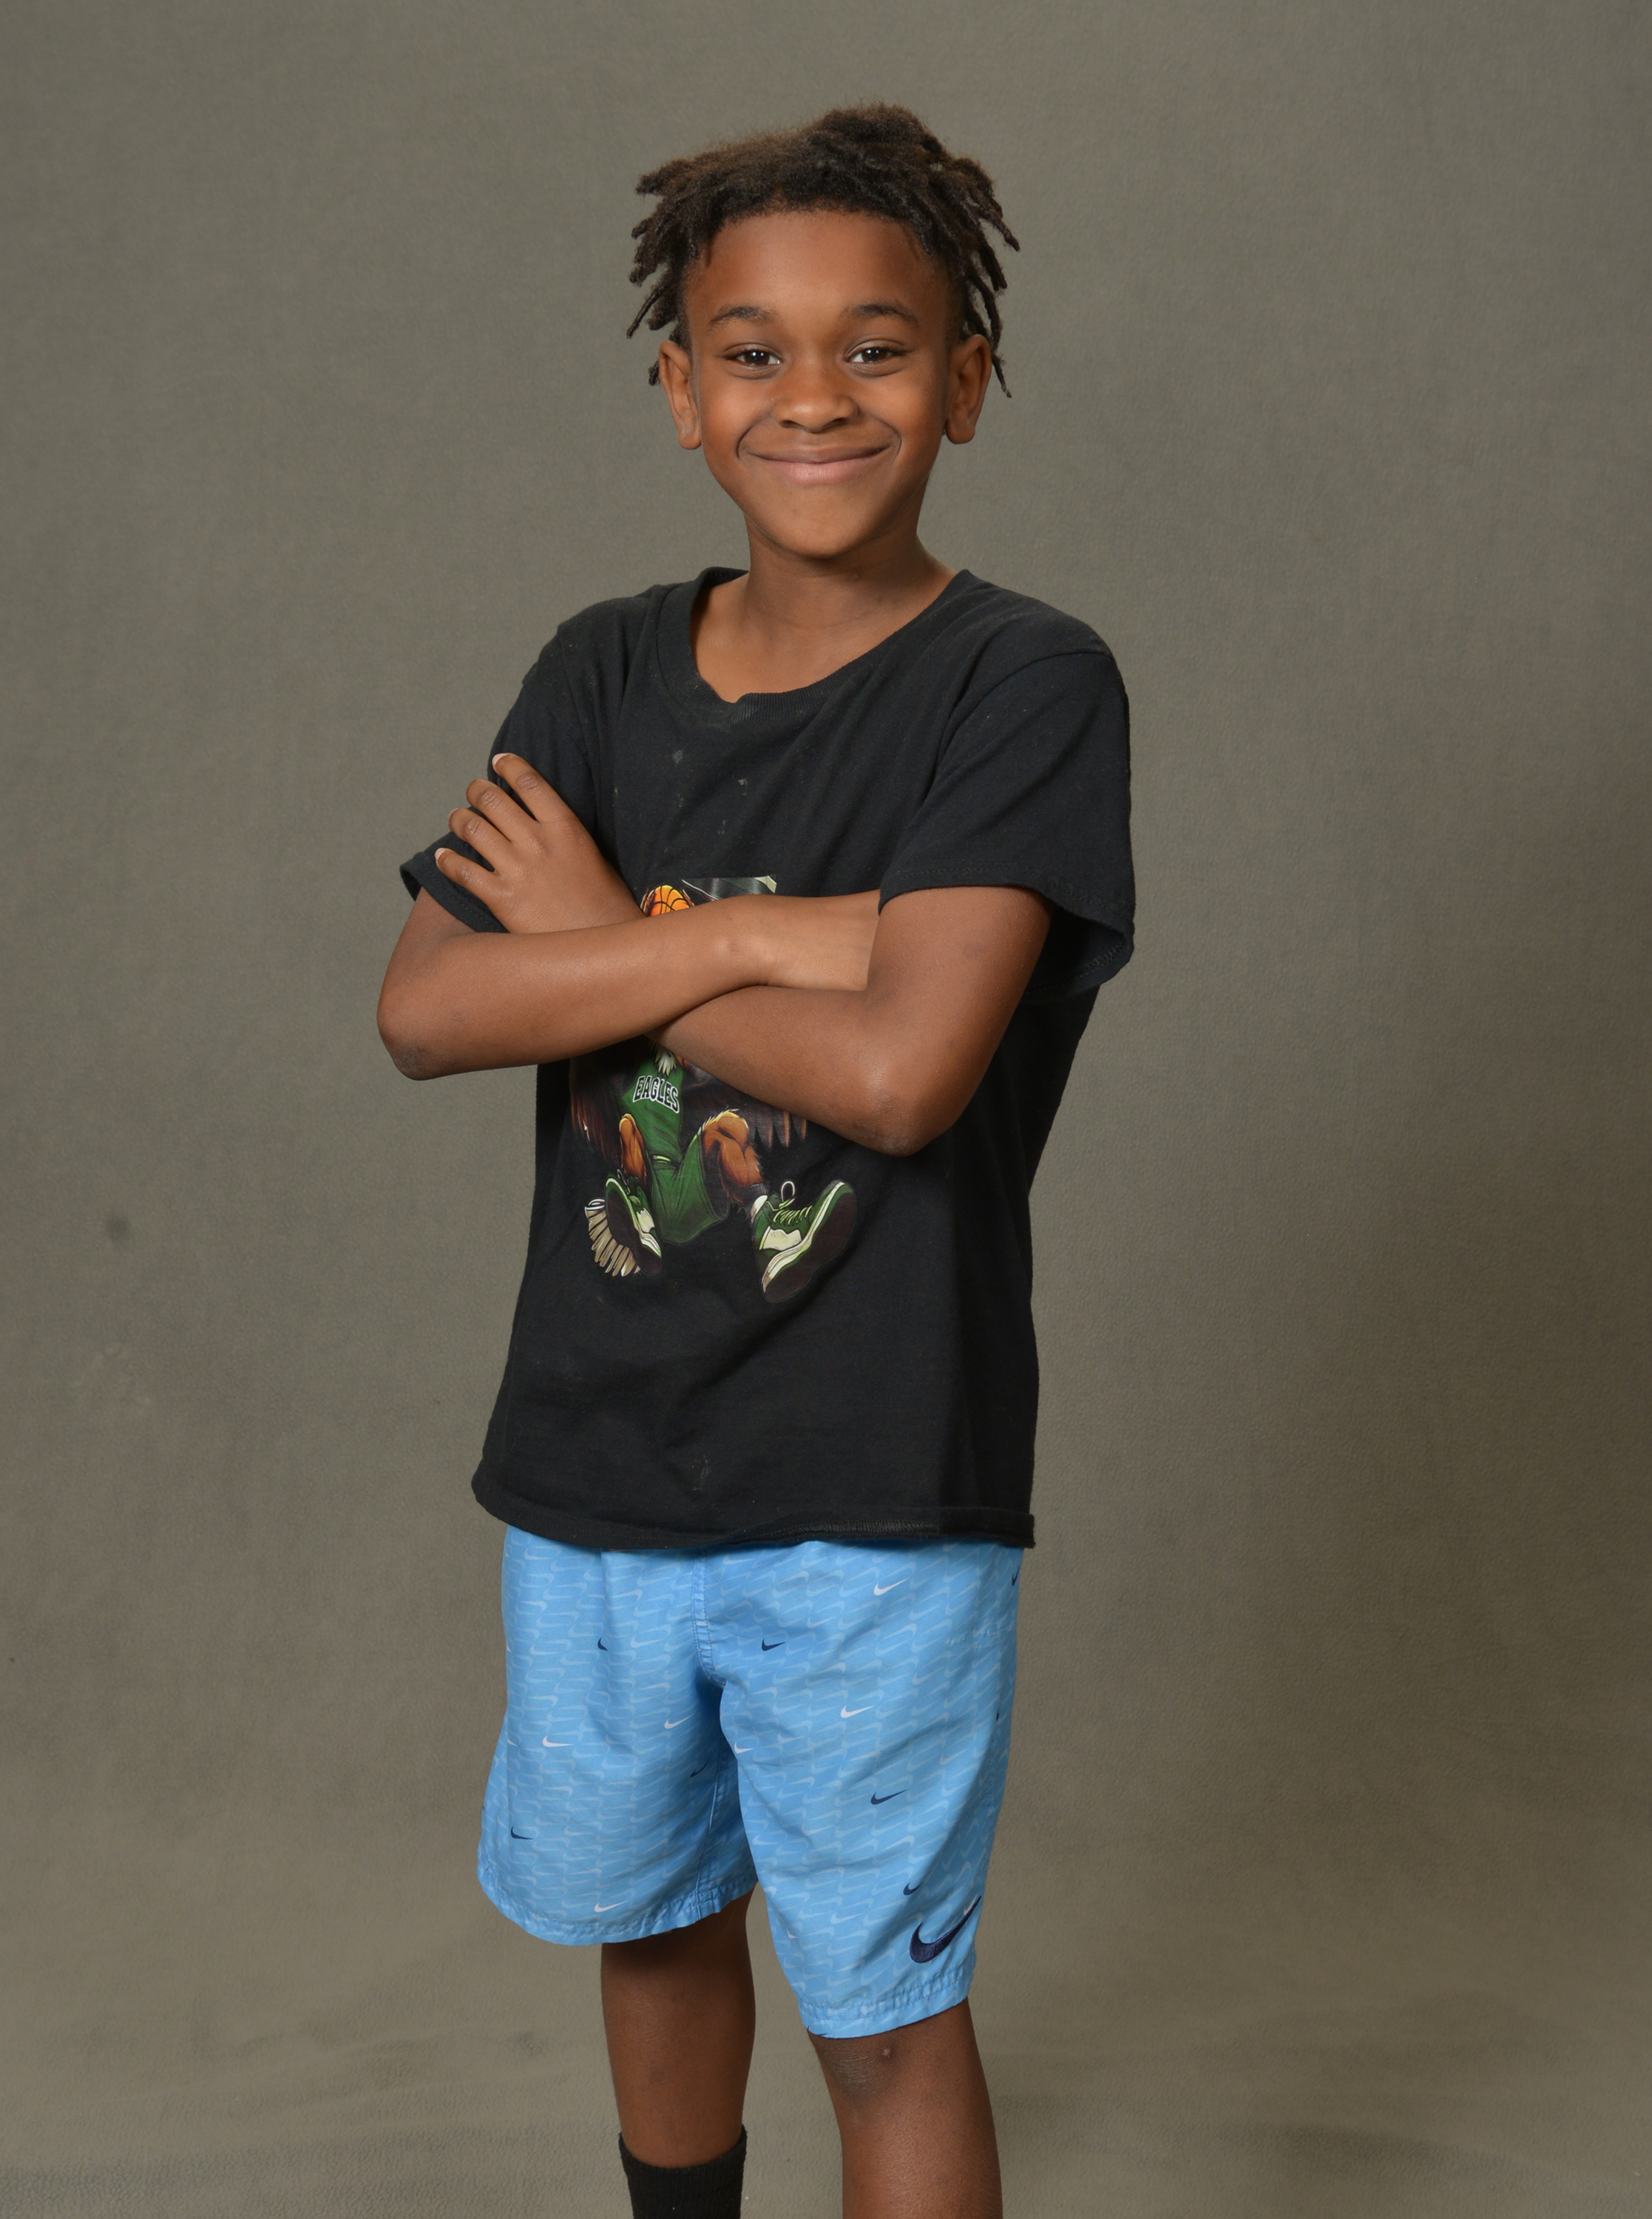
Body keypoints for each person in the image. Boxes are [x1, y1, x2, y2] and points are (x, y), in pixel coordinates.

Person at [378, 103, 1134, 2219]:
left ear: (965, 381)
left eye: (877, 347)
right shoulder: (601, 667)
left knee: (880, 2019)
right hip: (598, 1463)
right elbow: (428, 1008)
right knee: (653, 1934)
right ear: (678, 388)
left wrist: (605, 939)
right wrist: (780, 934)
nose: (815, 395)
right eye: (754, 350)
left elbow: (901, 1074)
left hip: (874, 1484)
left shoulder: (1023, 684)